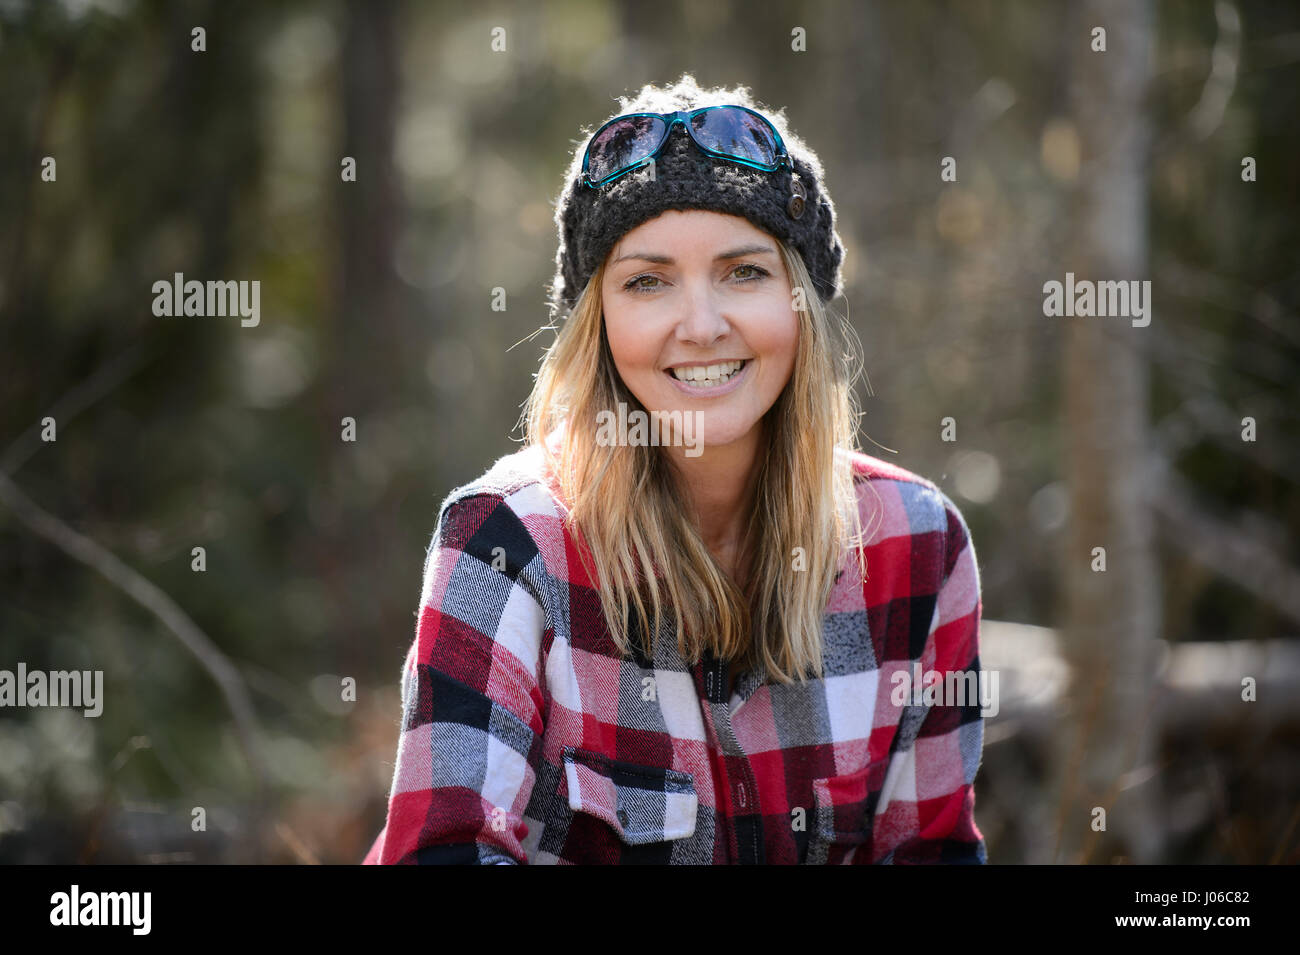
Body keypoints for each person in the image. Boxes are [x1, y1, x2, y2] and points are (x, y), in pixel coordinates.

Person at [363, 74, 987, 864]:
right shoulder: (503, 542)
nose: (700, 325)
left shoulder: (918, 545)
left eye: (745, 272)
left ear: (802, 308)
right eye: (648, 281)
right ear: (600, 323)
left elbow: (931, 853)